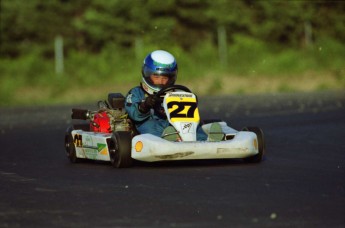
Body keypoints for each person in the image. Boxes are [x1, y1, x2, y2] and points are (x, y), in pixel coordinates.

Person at [125, 50, 222, 141]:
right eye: (156, 77)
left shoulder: (176, 92)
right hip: (148, 123)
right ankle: (166, 141)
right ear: (147, 74)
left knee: (194, 127)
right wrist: (145, 105)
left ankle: (207, 140)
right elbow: (133, 113)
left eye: (165, 77)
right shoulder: (136, 92)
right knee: (151, 126)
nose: (161, 81)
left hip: (172, 123)